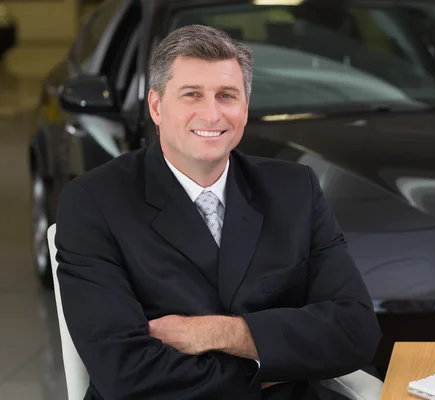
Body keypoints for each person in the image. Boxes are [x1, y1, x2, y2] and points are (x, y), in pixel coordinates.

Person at [55, 24, 382, 399]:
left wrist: (220, 332)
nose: (211, 115)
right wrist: (265, 364)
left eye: (227, 95)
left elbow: (356, 331)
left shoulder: (295, 190)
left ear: (245, 108)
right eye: (192, 94)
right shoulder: (93, 201)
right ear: (157, 106)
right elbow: (124, 372)